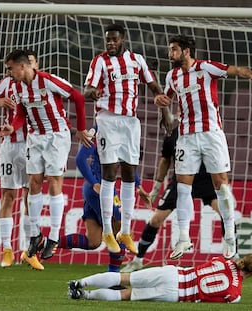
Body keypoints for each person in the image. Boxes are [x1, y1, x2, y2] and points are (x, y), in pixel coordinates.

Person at [159, 34, 252, 260]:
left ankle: (229, 235)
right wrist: (162, 104)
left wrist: (250, 74)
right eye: (170, 49)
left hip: (211, 134)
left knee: (222, 186)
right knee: (183, 187)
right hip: (186, 136)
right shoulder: (172, 76)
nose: (171, 54)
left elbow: (234, 70)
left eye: (175, 49)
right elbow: (166, 98)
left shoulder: (206, 68)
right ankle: (184, 237)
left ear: (186, 51)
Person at [84, 23, 172, 255]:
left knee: (130, 173)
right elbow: (87, 90)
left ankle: (125, 231)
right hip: (107, 120)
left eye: (114, 40)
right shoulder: (100, 61)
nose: (110, 43)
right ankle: (107, 232)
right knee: (109, 172)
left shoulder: (137, 60)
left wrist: (166, 114)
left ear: (122, 39)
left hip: (130, 122)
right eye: (107, 40)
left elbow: (154, 86)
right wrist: (93, 92)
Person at [0, 49, 93, 261]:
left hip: (56, 136)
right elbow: (21, 113)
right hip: (35, 137)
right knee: (34, 183)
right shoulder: (17, 87)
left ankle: (54, 237)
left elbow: (76, 96)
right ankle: (35, 234)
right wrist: (13, 128)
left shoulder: (48, 80)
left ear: (22, 66)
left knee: (55, 183)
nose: (9, 73)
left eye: (10, 69)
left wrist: (81, 128)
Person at [122, 119, 229, 272]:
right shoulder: (173, 135)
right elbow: (165, 160)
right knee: (156, 219)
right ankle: (138, 260)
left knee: (226, 213)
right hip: (181, 180)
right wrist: (156, 188)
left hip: (206, 180)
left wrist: (223, 182)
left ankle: (233, 257)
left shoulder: (209, 131)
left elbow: (220, 157)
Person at [0, 50, 43, 270]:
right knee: (8, 195)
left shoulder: (41, 84)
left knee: (29, 197)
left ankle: (29, 251)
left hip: (32, 145)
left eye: (33, 63)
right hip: (9, 146)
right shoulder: (6, 83)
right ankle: (7, 250)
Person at [57, 126, 151, 272]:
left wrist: (138, 186)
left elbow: (127, 163)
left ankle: (46, 244)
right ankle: (113, 278)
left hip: (103, 188)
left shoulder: (121, 130)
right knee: (119, 226)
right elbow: (80, 159)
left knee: (93, 241)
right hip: (98, 187)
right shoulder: (99, 130)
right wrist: (94, 183)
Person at [68, 253, 252, 303]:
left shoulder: (222, 260)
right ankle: (85, 296)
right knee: (126, 295)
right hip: (176, 294)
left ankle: (80, 283)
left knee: (124, 277)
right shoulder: (235, 295)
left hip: (174, 273)